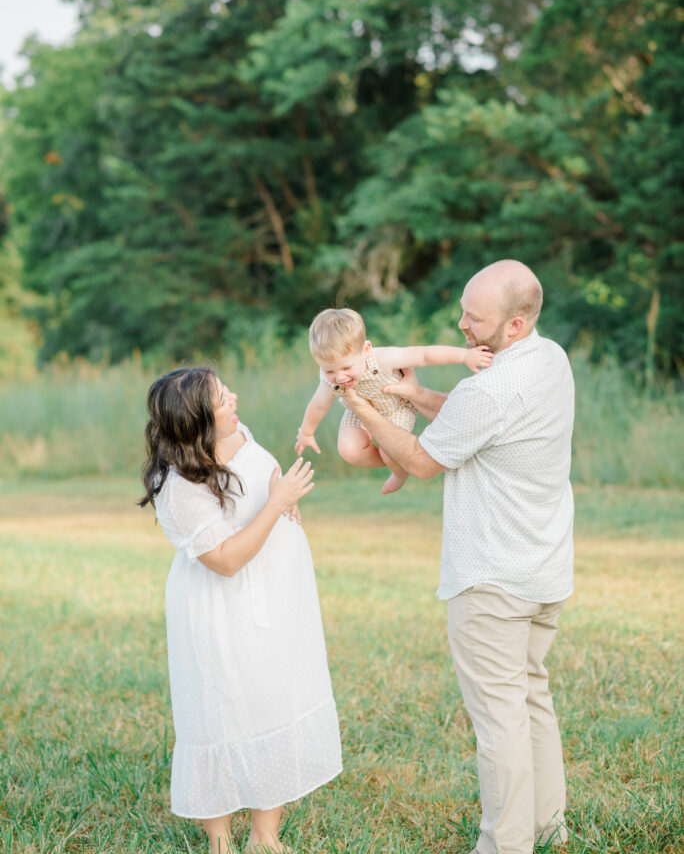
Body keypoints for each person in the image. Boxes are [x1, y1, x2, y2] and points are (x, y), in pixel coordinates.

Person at [341, 260, 574, 854]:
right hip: (543, 570)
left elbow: (421, 462)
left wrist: (360, 404)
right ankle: (549, 828)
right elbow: (478, 423)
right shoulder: (549, 359)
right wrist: (417, 395)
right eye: (464, 310)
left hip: (492, 579)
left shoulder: (488, 388)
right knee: (530, 700)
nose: (462, 324)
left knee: (499, 722)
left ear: (515, 325)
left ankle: (504, 846)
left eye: (476, 317)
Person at [140, 367, 342, 854]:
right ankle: (219, 841)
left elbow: (264, 472)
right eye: (221, 398)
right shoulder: (178, 484)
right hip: (220, 607)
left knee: (272, 697)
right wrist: (278, 503)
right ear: (197, 422)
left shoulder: (239, 432)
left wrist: (282, 495)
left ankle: (264, 835)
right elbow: (226, 560)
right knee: (219, 710)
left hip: (276, 591)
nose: (234, 398)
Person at [296, 307, 493, 493]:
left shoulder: (382, 358)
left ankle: (398, 472)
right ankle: (397, 461)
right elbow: (318, 405)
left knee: (391, 450)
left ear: (365, 351)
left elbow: (424, 355)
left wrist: (465, 355)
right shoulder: (329, 379)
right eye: (329, 370)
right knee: (349, 451)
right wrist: (306, 432)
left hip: (396, 407)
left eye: (346, 368)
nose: (339, 378)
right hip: (358, 410)